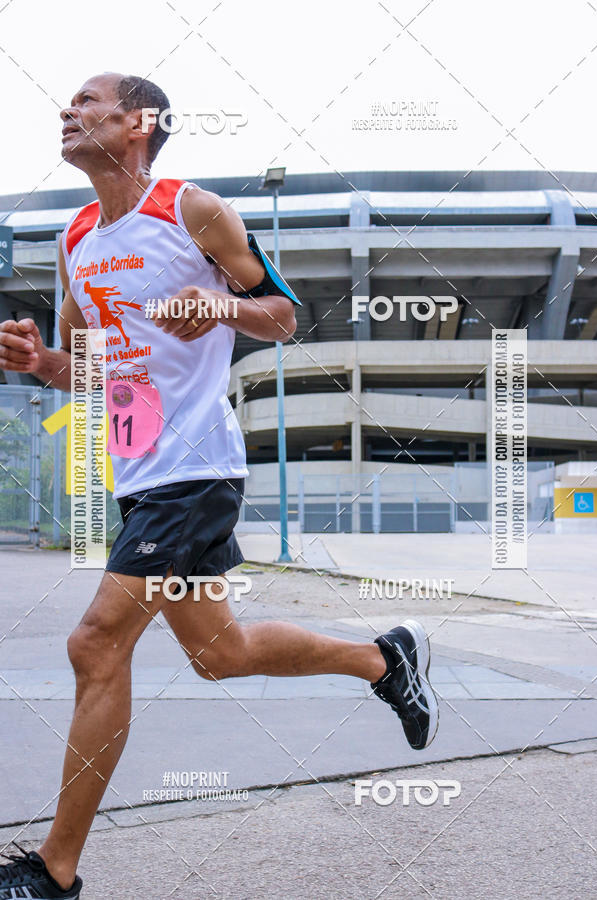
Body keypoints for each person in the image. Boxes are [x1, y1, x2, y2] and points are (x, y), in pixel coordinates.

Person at [0, 73, 438, 899]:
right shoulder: (76, 238)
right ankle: (386, 661)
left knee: (95, 643)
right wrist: (41, 362)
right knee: (219, 654)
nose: (69, 111)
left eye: (89, 102)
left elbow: (282, 312)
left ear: (137, 123)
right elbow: (91, 371)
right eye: (69, 102)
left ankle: (53, 873)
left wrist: (218, 305)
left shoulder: (192, 210)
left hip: (196, 470)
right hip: (140, 472)